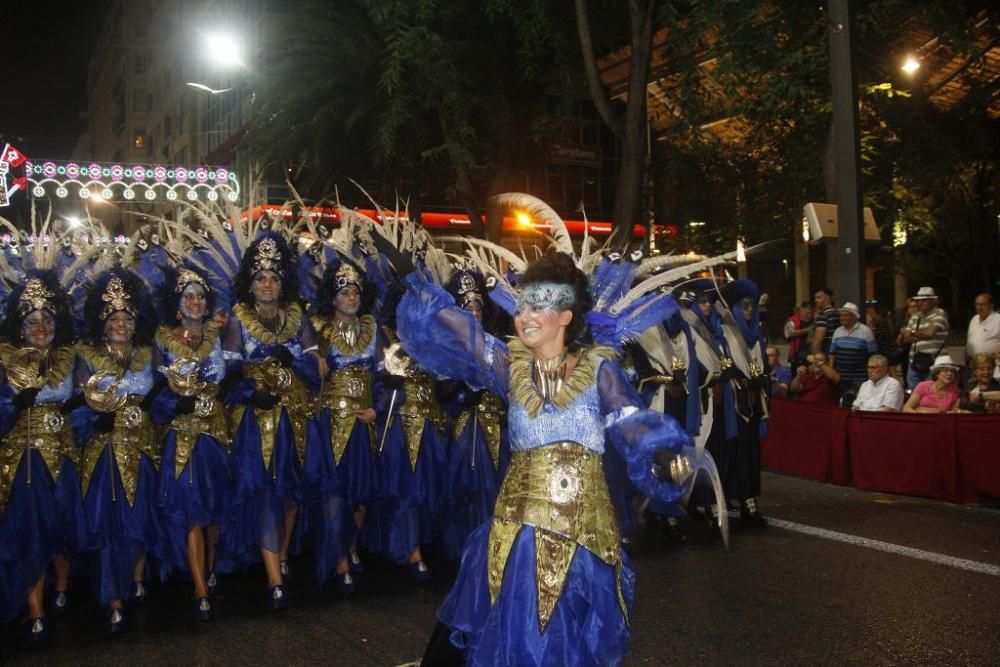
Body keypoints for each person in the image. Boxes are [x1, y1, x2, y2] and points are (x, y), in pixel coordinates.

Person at [393, 251, 689, 666]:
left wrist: (654, 449)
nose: (525, 316)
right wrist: (416, 282)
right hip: (517, 534)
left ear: (566, 316)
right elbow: (463, 331)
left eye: (538, 307)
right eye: (523, 306)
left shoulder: (599, 369)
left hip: (583, 539)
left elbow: (627, 417)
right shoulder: (508, 366)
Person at [222, 233, 318, 610]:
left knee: (290, 494)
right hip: (256, 418)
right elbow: (227, 374)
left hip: (294, 416)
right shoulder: (237, 318)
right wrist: (250, 391)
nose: (267, 284)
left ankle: (279, 556)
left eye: (274, 278)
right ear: (250, 283)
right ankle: (274, 578)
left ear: (284, 283)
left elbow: (315, 369)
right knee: (264, 492)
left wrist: (294, 360)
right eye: (260, 277)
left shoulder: (298, 318)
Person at [75, 269, 161, 633]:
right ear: (103, 321)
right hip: (105, 451)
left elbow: (161, 396)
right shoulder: (88, 356)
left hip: (142, 445)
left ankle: (136, 576)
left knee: (141, 514)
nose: (122, 324)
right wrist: (96, 420)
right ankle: (113, 595)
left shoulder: (147, 352)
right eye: (114, 318)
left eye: (127, 318)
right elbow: (75, 401)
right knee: (110, 522)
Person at [0, 271, 82, 642]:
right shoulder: (5, 361)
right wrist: (13, 404)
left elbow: (86, 400)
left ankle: (62, 584)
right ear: (20, 327)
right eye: (32, 322)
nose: (40, 328)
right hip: (24, 457)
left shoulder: (69, 357)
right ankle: (36, 610)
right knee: (31, 529)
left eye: (47, 320)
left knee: (62, 523)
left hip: (63, 453)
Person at [151, 267, 233, 621]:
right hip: (181, 435)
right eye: (189, 297)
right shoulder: (162, 339)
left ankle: (209, 567)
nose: (196, 302)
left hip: (215, 431)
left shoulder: (220, 333)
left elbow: (236, 376)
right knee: (190, 512)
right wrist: (173, 403)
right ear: (178, 304)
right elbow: (150, 391)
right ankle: (199, 586)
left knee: (214, 510)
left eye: (200, 296)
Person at [304, 257, 380, 593]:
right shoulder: (318, 329)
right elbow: (305, 374)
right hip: (331, 421)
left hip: (363, 421)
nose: (351, 298)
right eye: (344, 292)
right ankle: (338, 560)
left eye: (355, 292)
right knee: (334, 492)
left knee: (361, 493)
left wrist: (377, 410)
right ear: (333, 298)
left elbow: (383, 375)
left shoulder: (374, 329)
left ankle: (348, 544)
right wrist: (313, 361)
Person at [898, 287, 949, 390]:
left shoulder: (940, 313)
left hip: (934, 363)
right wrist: (920, 334)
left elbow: (930, 332)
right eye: (919, 300)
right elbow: (907, 339)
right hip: (914, 362)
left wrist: (912, 332)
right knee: (914, 393)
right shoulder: (915, 317)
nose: (920, 302)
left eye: (924, 300)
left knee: (933, 392)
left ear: (933, 301)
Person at [829, 302, 876, 397]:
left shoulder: (866, 331)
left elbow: (873, 355)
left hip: (859, 377)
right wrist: (831, 371)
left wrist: (871, 374)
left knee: (857, 402)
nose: (841, 318)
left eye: (845, 315)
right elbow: (832, 353)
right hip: (840, 376)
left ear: (854, 316)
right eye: (841, 315)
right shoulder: (837, 331)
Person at [966, 293, 1000, 360]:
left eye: (983, 304)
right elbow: (969, 340)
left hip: (989, 365)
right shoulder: (974, 319)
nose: (979, 308)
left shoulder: (998, 320)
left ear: (991, 305)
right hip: (972, 362)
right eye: (977, 304)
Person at [783, 301, 813, 367]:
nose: (810, 315)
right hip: (797, 352)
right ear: (802, 309)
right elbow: (789, 333)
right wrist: (807, 330)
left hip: (811, 352)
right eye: (808, 312)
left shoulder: (814, 320)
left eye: (811, 312)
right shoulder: (792, 320)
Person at [810, 288, 839, 354]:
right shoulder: (839, 313)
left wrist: (814, 356)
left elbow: (818, 339)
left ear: (828, 298)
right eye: (815, 298)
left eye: (819, 297)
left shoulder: (823, 316)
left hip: (826, 353)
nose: (815, 300)